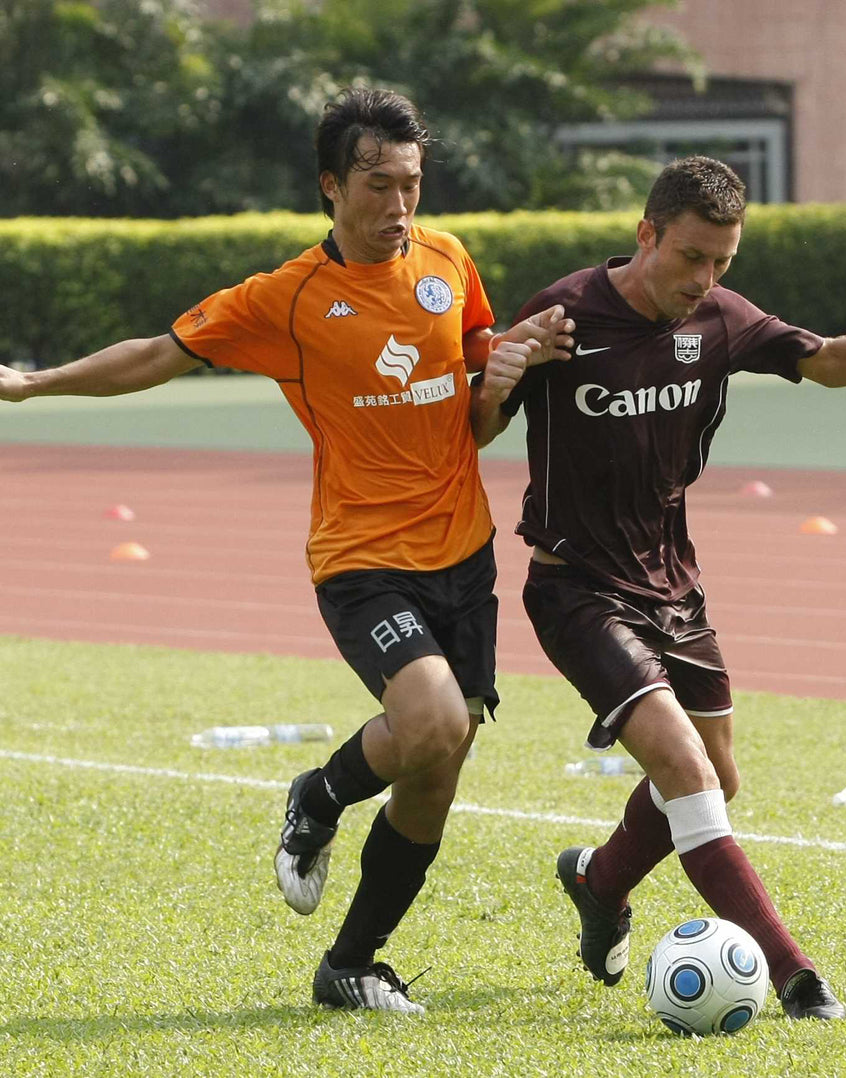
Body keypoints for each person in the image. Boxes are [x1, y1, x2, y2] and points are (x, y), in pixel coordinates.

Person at [0, 87, 572, 1015]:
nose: (398, 209)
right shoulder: (290, 299)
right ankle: (318, 793)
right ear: (330, 187)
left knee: (437, 770)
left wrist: (511, 363)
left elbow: (475, 402)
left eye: (412, 186)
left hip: (462, 557)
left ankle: (350, 963)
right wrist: (32, 385)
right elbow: (160, 352)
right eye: (378, 187)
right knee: (431, 722)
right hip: (362, 557)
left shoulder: (448, 260)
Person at [470, 155, 846, 1020]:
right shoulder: (563, 312)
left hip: (675, 586)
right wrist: (502, 372)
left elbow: (822, 363)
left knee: (718, 776)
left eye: (722, 264)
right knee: (682, 764)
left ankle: (599, 882)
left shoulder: (719, 319)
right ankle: (795, 975)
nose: (704, 280)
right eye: (691, 259)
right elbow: (479, 431)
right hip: (575, 588)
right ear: (647, 236)